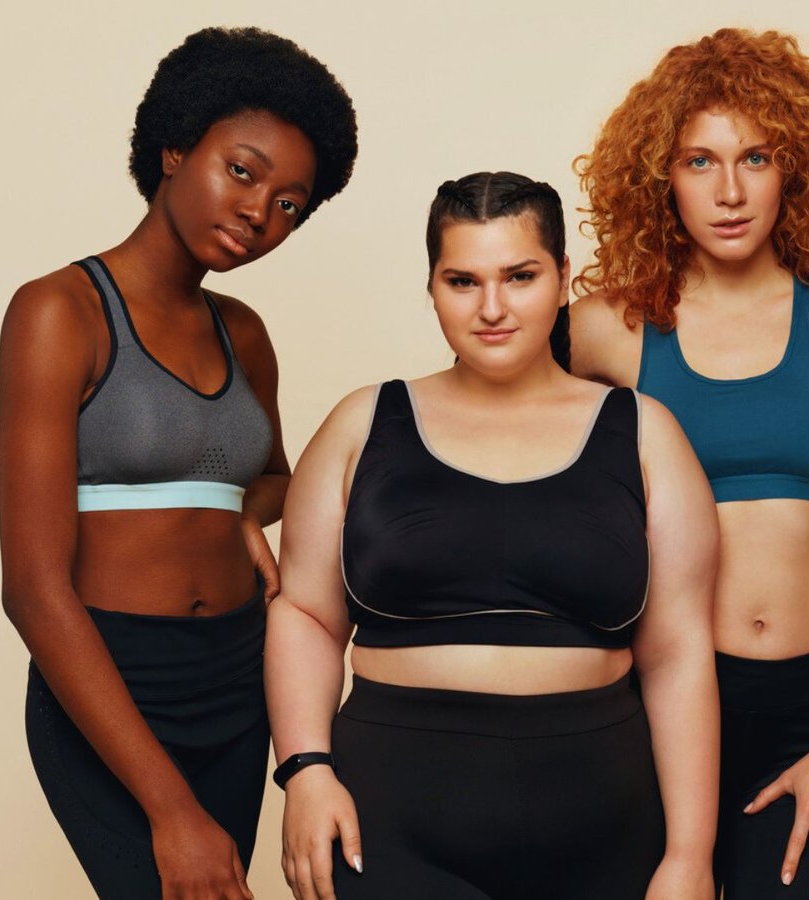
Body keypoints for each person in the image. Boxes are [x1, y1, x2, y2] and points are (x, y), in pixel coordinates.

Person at [267, 172, 721, 900]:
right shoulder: (363, 424)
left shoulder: (643, 433)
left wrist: (690, 857)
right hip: (390, 819)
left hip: (604, 822)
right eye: (462, 281)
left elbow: (677, 654)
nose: (491, 308)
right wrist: (305, 771)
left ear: (563, 277)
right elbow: (307, 615)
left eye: (520, 276)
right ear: (432, 287)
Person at [0, 27, 357, 899]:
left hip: (236, 682)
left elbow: (270, 476)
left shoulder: (244, 334)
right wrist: (169, 809)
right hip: (112, 682)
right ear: (173, 145)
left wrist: (236, 511)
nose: (259, 212)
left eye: (289, 203)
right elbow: (33, 588)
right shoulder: (60, 312)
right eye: (242, 171)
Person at [570, 28, 809, 899]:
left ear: (792, 167)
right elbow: (493, 426)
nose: (729, 192)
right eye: (699, 162)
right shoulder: (608, 327)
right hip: (658, 697)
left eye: (754, 158)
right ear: (660, 178)